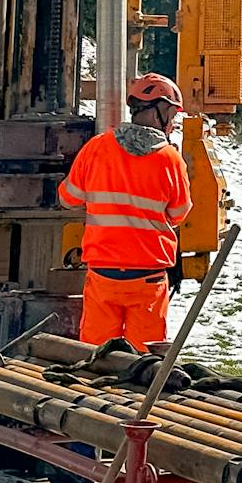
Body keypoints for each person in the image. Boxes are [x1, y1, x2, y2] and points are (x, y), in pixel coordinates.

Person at [58, 73, 194, 349]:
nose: (173, 122)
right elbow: (179, 214)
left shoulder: (96, 147)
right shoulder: (170, 159)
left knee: (95, 356)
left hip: (103, 275)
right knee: (143, 362)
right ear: (161, 112)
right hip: (147, 279)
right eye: (172, 114)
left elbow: (68, 199)